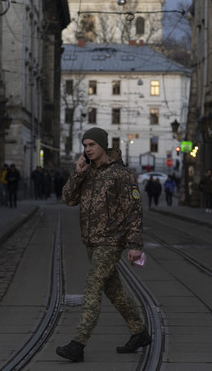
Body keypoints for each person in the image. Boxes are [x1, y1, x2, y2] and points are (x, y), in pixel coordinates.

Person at [56, 127, 150, 362]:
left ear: (103, 146)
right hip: (91, 241)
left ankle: (78, 344)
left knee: (92, 286)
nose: (87, 149)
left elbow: (134, 211)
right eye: (85, 145)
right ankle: (139, 332)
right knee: (113, 289)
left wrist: (135, 244)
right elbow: (68, 199)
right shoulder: (87, 172)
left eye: (92, 145)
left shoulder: (121, 174)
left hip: (111, 241)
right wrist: (77, 173)